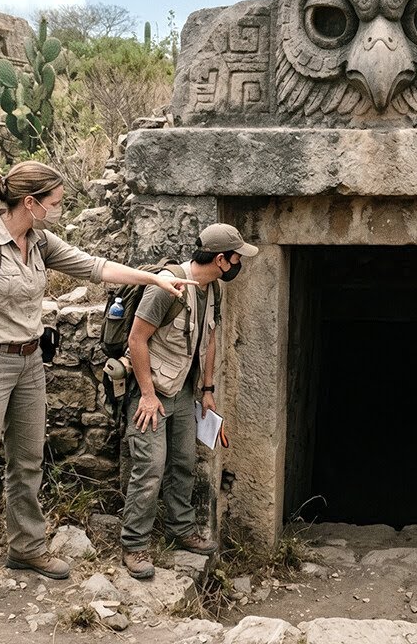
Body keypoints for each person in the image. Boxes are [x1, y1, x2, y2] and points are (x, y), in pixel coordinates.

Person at [0, 160, 197, 616]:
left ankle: (26, 547)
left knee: (28, 460)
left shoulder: (37, 240)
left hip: (29, 363)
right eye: (56, 202)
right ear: (31, 203)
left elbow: (94, 267)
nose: (61, 209)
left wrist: (153, 277)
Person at [120, 223, 258, 579]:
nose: (240, 263)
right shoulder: (168, 288)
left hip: (182, 391)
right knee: (150, 468)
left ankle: (180, 530)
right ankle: (134, 546)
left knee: (182, 462)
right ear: (222, 259)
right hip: (151, 392)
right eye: (237, 257)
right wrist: (147, 396)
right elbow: (137, 340)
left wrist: (207, 390)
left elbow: (209, 340)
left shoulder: (212, 291)